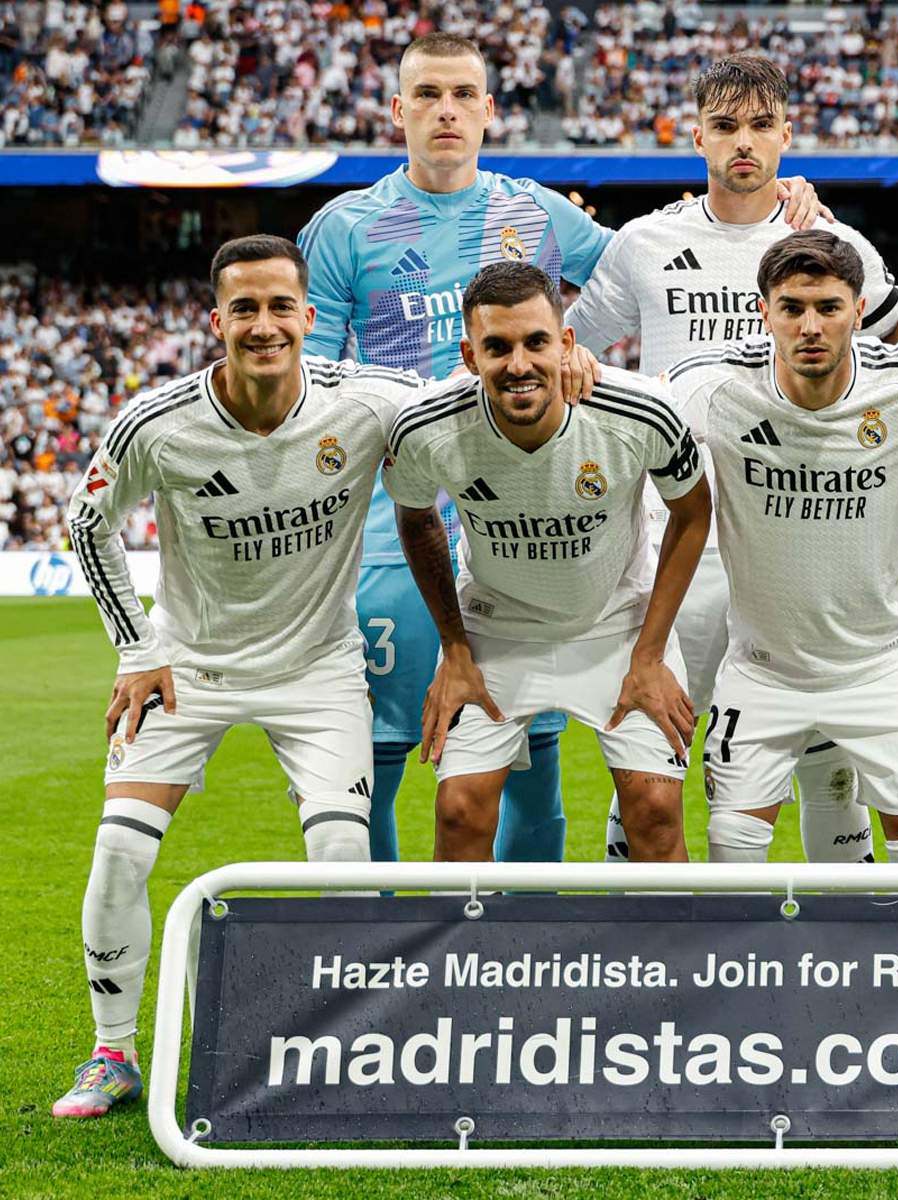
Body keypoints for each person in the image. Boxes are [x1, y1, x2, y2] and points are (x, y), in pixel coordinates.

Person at [299, 33, 819, 865]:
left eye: (464, 95)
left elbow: (654, 262)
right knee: (389, 753)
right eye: (427, 94)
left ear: (490, 111)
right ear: (398, 110)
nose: (446, 110)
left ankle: (525, 957)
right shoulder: (344, 228)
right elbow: (316, 381)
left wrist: (779, 205)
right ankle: (390, 951)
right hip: (404, 521)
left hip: (544, 508)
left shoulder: (540, 214)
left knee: (532, 761)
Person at [55, 236, 417, 1117]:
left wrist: (572, 359)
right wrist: (137, 649)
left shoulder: (367, 403)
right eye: (244, 309)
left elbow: (472, 405)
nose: (263, 326)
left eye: (279, 307)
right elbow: (86, 517)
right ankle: (112, 1054)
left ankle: (347, 1047)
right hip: (189, 670)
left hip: (318, 670)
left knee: (341, 853)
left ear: (309, 317)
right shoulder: (158, 423)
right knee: (116, 856)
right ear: (216, 322)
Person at [566, 52, 897, 865]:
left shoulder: (837, 245)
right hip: (683, 538)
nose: (741, 143)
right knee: (656, 751)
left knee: (827, 761)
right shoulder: (646, 242)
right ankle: (653, 944)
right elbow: (570, 351)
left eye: (758, 126)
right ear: (697, 137)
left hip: (809, 535)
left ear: (787, 134)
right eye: (723, 127)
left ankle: (837, 950)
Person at [665, 232, 898, 863]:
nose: (811, 326)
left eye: (829, 308)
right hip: (761, 671)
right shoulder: (712, 387)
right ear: (764, 311)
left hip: (884, 667)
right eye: (792, 308)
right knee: (733, 855)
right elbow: (627, 415)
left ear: (859, 311)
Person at [383, 262, 709, 861]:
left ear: (566, 343)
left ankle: (670, 956)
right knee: (457, 813)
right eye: (497, 347)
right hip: (495, 628)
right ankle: (461, 957)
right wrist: (454, 650)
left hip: (620, 624)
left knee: (658, 814)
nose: (519, 365)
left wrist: (651, 651)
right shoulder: (426, 425)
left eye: (536, 342)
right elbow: (416, 517)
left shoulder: (640, 411)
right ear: (468, 353)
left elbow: (692, 513)